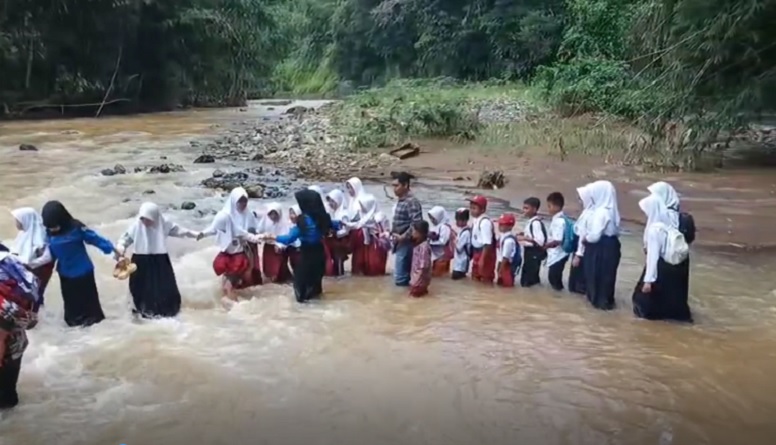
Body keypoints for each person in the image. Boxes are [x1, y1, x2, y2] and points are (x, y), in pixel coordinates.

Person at [40, 201, 119, 327]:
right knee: (71, 305)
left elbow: (94, 239)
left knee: (89, 304)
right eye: (50, 226)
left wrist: (112, 250)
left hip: (83, 272)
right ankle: (74, 327)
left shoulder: (76, 228)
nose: (52, 229)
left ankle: (95, 325)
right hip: (65, 274)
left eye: (55, 226)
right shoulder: (47, 233)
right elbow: (46, 252)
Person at [253, 190, 339, 303]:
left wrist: (273, 237)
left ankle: (303, 313)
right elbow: (335, 225)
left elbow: (290, 238)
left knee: (301, 286)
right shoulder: (323, 217)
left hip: (307, 255)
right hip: (320, 254)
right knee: (316, 284)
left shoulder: (303, 220)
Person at [116, 202, 198, 318]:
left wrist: (196, 234)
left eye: (149, 219)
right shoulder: (136, 226)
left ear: (156, 217)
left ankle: (167, 311)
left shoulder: (164, 224)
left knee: (164, 286)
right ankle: (140, 311)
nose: (145, 222)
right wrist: (121, 248)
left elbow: (180, 231)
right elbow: (125, 239)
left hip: (160, 261)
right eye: (143, 219)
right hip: (140, 261)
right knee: (139, 287)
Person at [632, 194, 693, 323]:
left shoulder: (655, 229)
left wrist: (648, 281)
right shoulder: (671, 223)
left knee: (644, 302)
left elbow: (652, 257)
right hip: (676, 265)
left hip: (661, 266)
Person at [198, 187, 262, 306]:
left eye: (245, 201)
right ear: (233, 201)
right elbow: (214, 229)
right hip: (228, 254)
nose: (243, 204)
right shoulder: (225, 216)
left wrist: (258, 238)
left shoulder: (248, 215)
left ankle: (236, 307)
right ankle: (233, 305)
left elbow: (251, 232)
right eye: (240, 201)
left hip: (242, 253)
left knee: (231, 283)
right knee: (227, 283)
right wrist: (201, 234)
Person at [0, 251, 40, 409]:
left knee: (5, 400)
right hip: (17, 341)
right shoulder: (8, 262)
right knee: (8, 398)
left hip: (9, 348)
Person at [580, 180, 622, 311]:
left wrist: (585, 239)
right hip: (611, 246)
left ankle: (598, 305)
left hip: (600, 248)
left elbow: (594, 236)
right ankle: (607, 303)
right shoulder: (612, 210)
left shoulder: (601, 212)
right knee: (608, 277)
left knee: (596, 276)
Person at [10, 207, 53, 307]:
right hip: (24, 272)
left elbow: (48, 258)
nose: (16, 223)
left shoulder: (40, 238)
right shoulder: (24, 233)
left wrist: (29, 264)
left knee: (35, 296)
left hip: (35, 274)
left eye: (18, 220)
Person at [390, 172, 423, 286]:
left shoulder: (411, 202)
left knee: (400, 277)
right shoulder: (402, 200)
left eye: (396, 185)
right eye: (393, 186)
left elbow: (416, 223)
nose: (394, 189)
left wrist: (403, 237)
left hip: (407, 242)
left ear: (405, 185)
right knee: (403, 275)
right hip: (399, 241)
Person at [346, 193, 384, 275]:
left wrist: (346, 224)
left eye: (364, 205)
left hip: (375, 243)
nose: (362, 208)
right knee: (366, 264)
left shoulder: (378, 216)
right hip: (367, 243)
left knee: (374, 265)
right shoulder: (365, 215)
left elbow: (359, 224)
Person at [258, 203, 293, 283]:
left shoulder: (284, 224)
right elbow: (259, 231)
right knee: (268, 269)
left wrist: (279, 245)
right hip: (268, 248)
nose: (273, 216)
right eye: (271, 214)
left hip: (278, 249)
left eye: (275, 214)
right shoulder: (265, 220)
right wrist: (262, 237)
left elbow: (287, 238)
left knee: (278, 269)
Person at [569, 185, 593, 295]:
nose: (579, 201)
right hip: (579, 246)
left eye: (581, 198)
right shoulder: (586, 212)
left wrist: (578, 255)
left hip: (581, 249)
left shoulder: (590, 214)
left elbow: (583, 234)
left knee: (578, 282)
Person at [517, 197, 546, 288]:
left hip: (533, 253)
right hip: (530, 252)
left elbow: (540, 241)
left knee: (529, 279)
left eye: (526, 208)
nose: (524, 210)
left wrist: (524, 238)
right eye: (524, 208)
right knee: (529, 277)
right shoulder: (531, 222)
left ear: (534, 209)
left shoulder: (535, 223)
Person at [544, 192, 571, 291]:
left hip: (559, 254)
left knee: (554, 279)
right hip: (559, 254)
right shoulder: (559, 219)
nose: (548, 209)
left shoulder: (559, 221)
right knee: (554, 278)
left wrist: (545, 246)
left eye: (549, 206)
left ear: (556, 207)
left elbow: (557, 240)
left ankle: (559, 295)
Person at [467, 195, 496, 284]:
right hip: (477, 252)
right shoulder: (475, 220)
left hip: (484, 253)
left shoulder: (484, 223)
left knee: (485, 278)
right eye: (471, 208)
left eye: (474, 208)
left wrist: (482, 259)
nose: (471, 210)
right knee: (475, 276)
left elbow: (487, 243)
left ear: (482, 210)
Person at [324, 189, 351, 276]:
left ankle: (341, 280)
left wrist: (336, 234)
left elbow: (346, 230)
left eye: (333, 201)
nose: (331, 204)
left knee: (339, 262)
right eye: (330, 201)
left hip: (340, 243)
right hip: (334, 242)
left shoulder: (344, 214)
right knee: (335, 262)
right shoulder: (334, 212)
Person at [427, 206, 455, 277]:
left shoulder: (444, 227)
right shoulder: (436, 226)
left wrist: (430, 243)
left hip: (442, 256)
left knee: (439, 276)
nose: (431, 220)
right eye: (430, 218)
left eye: (433, 218)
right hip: (437, 256)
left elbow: (443, 241)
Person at [496, 213, 520, 288]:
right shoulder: (502, 236)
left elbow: (505, 257)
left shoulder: (509, 240)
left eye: (502, 224)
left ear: (510, 226)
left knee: (507, 285)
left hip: (507, 265)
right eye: (499, 224)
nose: (500, 226)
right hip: (502, 263)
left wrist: (500, 270)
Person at [409, 220, 432, 298]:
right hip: (419, 280)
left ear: (420, 233)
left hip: (418, 281)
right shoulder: (419, 245)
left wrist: (416, 281)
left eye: (414, 231)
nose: (412, 233)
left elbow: (423, 266)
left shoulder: (424, 247)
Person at [451, 208, 472, 280]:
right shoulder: (463, 231)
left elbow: (459, 248)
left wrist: (453, 238)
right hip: (459, 263)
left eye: (458, 220)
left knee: (457, 279)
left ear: (465, 220)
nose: (457, 222)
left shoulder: (466, 233)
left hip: (460, 264)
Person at [286, 205, 303, 273]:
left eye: (294, 213)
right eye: (290, 213)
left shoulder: (303, 225)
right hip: (292, 250)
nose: (291, 216)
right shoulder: (288, 225)